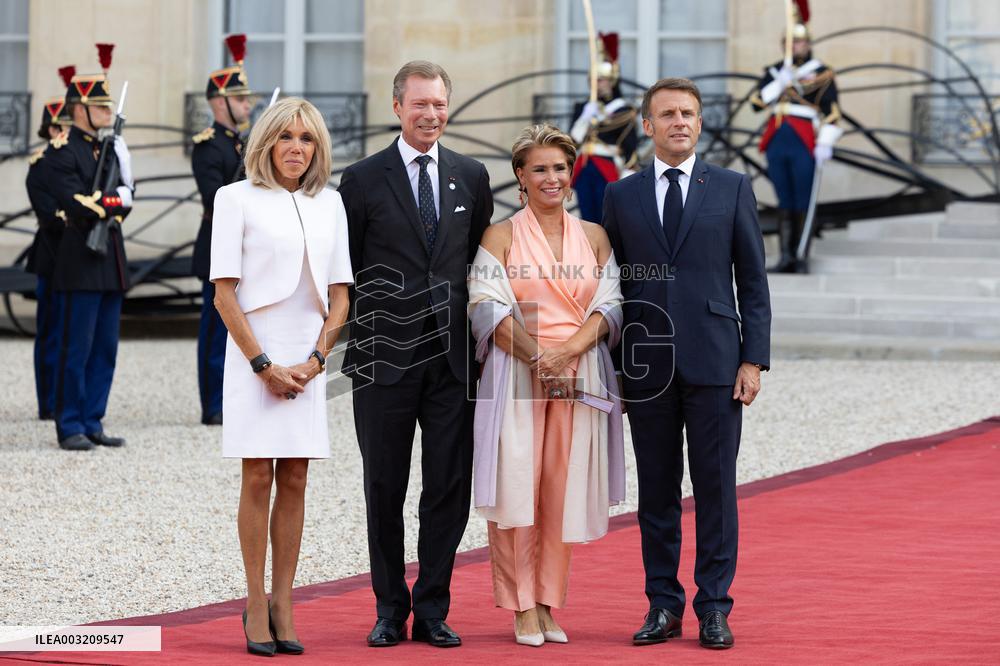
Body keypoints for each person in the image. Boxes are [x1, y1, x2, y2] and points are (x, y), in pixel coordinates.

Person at [602, 78, 771, 650]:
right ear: (646, 125)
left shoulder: (731, 187)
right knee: (657, 492)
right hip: (646, 366)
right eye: (667, 114)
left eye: (689, 113)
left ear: (700, 123)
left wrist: (754, 359)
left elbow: (752, 280)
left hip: (717, 361)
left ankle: (715, 607)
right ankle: (662, 605)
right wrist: (615, 362)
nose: (679, 122)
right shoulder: (619, 196)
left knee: (716, 489)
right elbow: (614, 285)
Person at [338, 60, 493, 649]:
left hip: (452, 360)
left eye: (439, 104)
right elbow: (345, 271)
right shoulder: (362, 179)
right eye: (420, 104)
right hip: (383, 358)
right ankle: (387, 608)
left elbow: (478, 259)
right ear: (397, 107)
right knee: (385, 485)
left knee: (447, 487)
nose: (431, 114)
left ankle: (432, 607)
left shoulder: (471, 175)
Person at [469, 124, 625, 646]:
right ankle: (519, 607)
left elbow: (610, 306)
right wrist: (541, 358)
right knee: (519, 486)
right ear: (520, 175)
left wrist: (570, 353)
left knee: (563, 490)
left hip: (580, 377)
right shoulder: (501, 236)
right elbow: (486, 307)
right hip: (518, 374)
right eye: (540, 168)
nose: (551, 177)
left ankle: (549, 601)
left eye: (559, 167)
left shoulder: (595, 237)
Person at [210, 97, 352, 657]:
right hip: (255, 352)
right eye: (287, 136)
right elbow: (223, 293)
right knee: (257, 478)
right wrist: (263, 365)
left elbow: (341, 297)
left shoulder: (331, 205)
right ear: (266, 141)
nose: (297, 147)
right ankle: (252, 599)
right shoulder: (234, 198)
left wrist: (317, 363)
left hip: (309, 355)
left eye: (308, 139)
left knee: (296, 477)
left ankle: (284, 601)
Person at [48, 45, 135, 452]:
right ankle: (70, 425)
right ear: (79, 109)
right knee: (76, 348)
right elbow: (73, 202)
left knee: (105, 348)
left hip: (109, 258)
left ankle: (93, 419)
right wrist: (108, 202)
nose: (105, 113)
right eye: (98, 107)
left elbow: (126, 197)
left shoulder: (110, 148)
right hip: (80, 257)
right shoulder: (62, 150)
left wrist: (113, 202)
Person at [191, 33, 254, 426]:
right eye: (241, 99)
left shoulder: (245, 143)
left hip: (248, 249)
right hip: (217, 245)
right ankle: (213, 404)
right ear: (220, 102)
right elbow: (216, 197)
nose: (248, 105)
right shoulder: (207, 146)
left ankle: (238, 398)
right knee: (216, 332)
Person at [750, 15, 841, 273]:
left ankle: (801, 257)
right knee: (784, 199)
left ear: (808, 44)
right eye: (791, 42)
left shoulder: (821, 72)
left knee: (802, 198)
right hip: (778, 137)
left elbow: (832, 112)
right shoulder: (775, 71)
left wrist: (825, 141)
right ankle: (786, 256)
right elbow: (757, 104)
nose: (795, 46)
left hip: (803, 138)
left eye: (800, 42)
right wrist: (779, 82)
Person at [25, 65, 75, 421]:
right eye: (67, 128)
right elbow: (50, 215)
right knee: (51, 333)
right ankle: (49, 402)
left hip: (75, 258)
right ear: (55, 129)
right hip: (52, 255)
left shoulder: (73, 161)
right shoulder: (41, 166)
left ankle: (66, 398)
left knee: (72, 334)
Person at [569, 32, 639, 223]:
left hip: (608, 166)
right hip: (584, 165)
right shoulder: (582, 108)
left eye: (601, 80)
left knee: (606, 218)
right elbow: (572, 141)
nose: (597, 85)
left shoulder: (623, 110)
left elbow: (630, 146)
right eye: (594, 80)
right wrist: (585, 118)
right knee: (586, 217)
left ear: (612, 81)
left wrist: (628, 174)